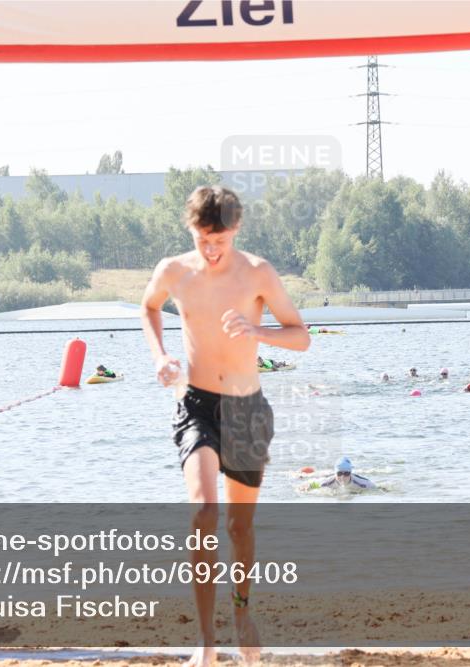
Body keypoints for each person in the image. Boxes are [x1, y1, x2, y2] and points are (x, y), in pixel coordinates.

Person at [140, 185, 309, 666]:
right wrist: (160, 357)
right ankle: (206, 643)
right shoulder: (173, 270)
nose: (211, 251)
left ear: (235, 231)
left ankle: (242, 616)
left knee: (239, 527)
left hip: (247, 410)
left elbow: (302, 338)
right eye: (202, 240)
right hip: (196, 404)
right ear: (190, 230)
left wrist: (259, 332)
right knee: (203, 512)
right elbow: (149, 307)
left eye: (220, 240)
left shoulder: (257, 272)